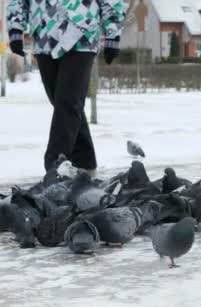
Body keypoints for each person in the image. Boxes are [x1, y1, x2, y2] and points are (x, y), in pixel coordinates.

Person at [7, 0, 126, 177]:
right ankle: (85, 164)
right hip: (44, 36)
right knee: (64, 103)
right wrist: (16, 28)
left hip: (81, 35)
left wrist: (113, 34)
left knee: (68, 102)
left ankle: (55, 164)